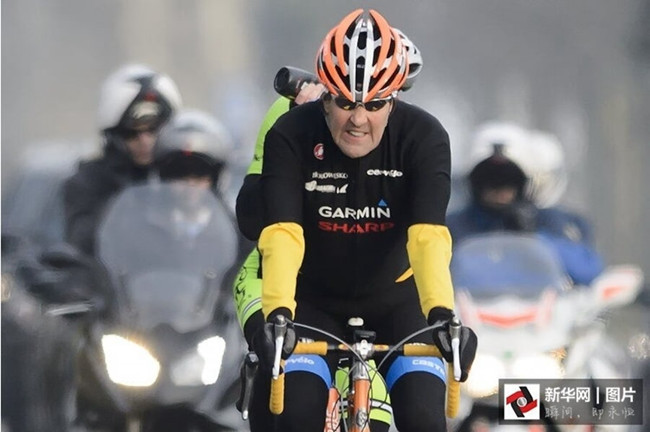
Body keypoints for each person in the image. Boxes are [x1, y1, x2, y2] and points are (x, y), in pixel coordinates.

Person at [240, 9, 477, 432]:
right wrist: (278, 314)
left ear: (395, 98)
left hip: (398, 301)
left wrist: (443, 315)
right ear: (325, 97)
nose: (358, 119)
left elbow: (427, 237)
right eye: (345, 102)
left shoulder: (424, 137)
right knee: (295, 416)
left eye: (376, 104)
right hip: (314, 301)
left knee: (424, 419)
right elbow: (283, 234)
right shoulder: (291, 133)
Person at [447, 122, 604, 286]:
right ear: (473, 182)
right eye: (488, 178)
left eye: (509, 178)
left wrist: (534, 236)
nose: (499, 188)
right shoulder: (452, 227)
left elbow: (587, 271)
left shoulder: (549, 221)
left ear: (524, 182)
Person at [63, 64, 182, 256]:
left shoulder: (185, 175)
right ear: (114, 135)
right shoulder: (90, 182)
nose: (145, 141)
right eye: (132, 133)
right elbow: (82, 242)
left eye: (154, 129)